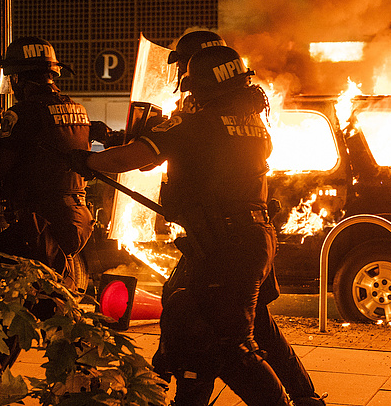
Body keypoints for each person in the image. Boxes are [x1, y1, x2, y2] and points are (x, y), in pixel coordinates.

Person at [72, 45, 293, 405]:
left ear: (203, 88)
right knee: (186, 322)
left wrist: (85, 160)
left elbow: (132, 159)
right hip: (243, 240)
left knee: (233, 345)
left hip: (227, 245)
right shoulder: (254, 125)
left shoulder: (197, 125)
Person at [156, 30, 326, 406]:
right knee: (252, 324)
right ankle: (304, 396)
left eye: (184, 66)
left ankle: (175, 387)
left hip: (225, 237)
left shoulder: (205, 113)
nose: (181, 76)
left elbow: (188, 159)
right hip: (241, 234)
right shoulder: (241, 109)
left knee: (214, 329)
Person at [0, 36, 94, 292]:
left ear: (18, 78)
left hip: (39, 223)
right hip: (78, 216)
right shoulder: (78, 110)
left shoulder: (20, 114)